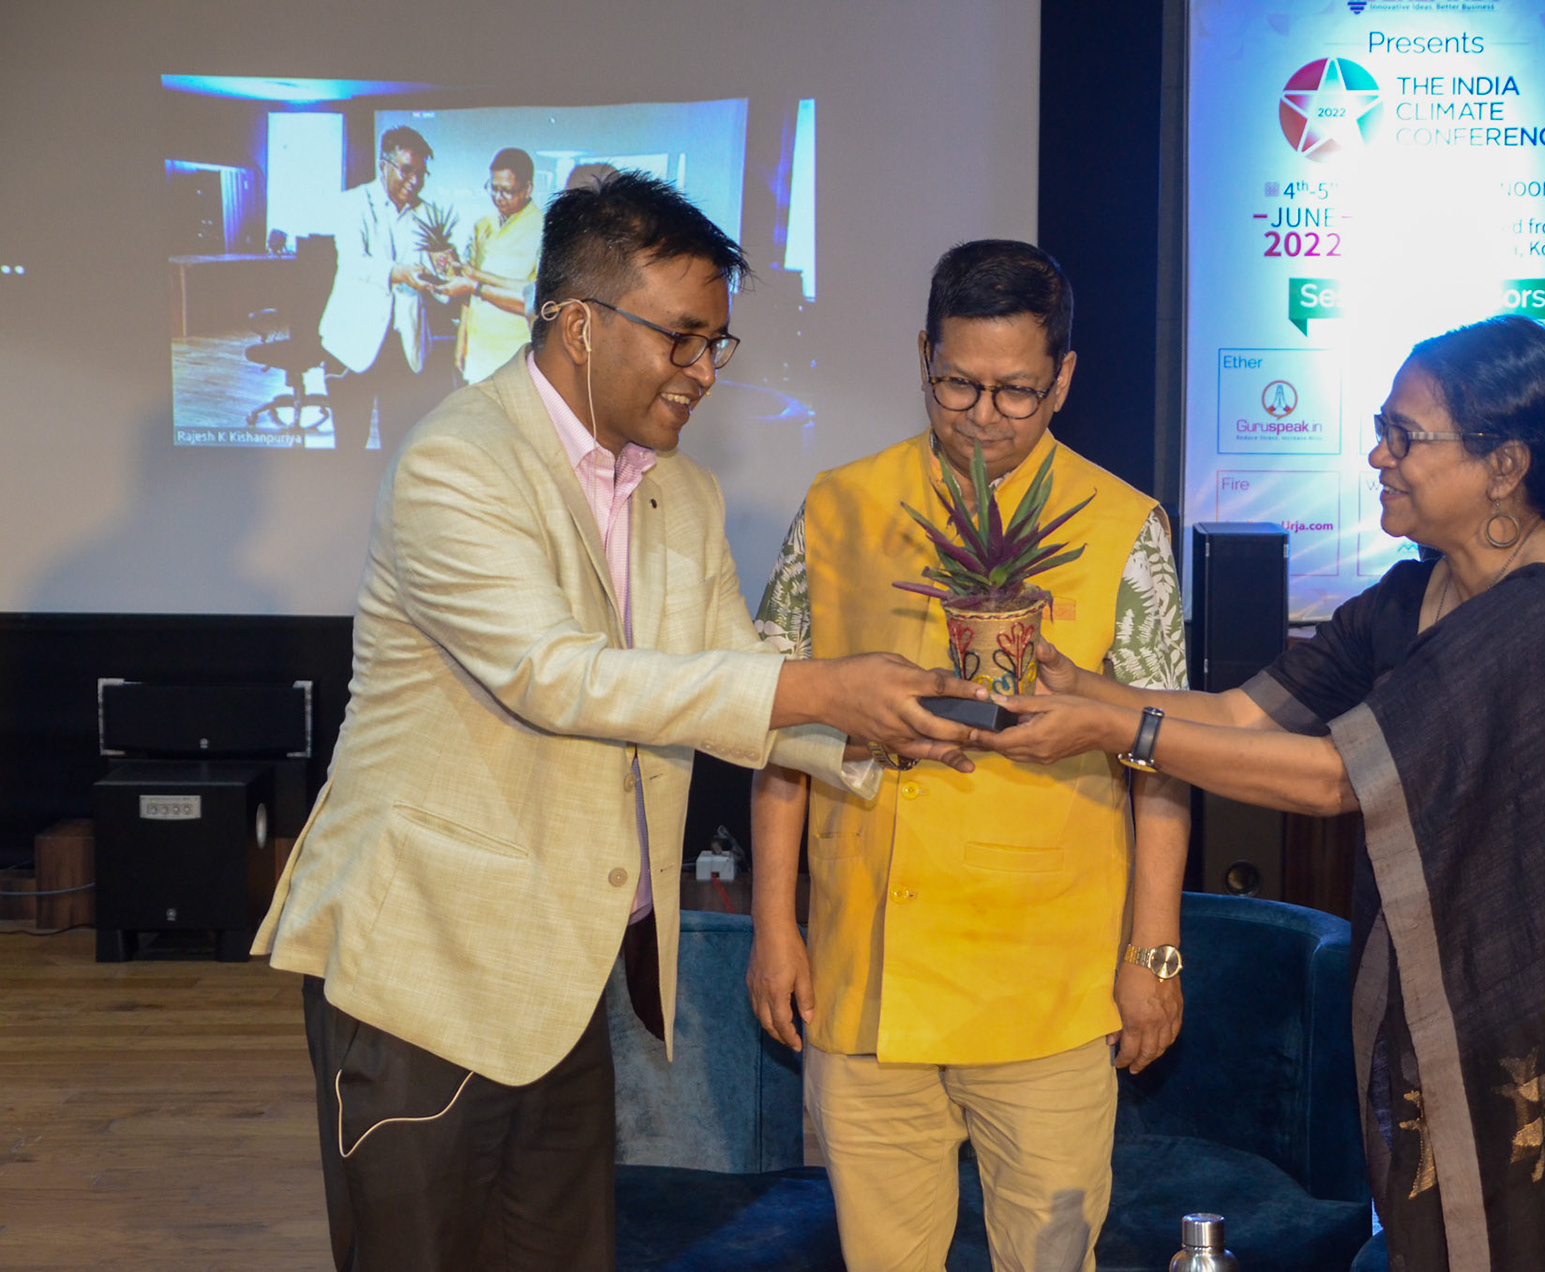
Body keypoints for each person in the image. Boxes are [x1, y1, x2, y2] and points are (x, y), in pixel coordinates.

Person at [252, 171, 979, 1272]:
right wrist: (824, 690)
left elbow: (730, 671)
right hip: (427, 970)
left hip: (565, 980)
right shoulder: (460, 461)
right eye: (682, 339)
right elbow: (560, 679)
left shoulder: (675, 492)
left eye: (716, 346)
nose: (702, 373)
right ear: (577, 324)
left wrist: (891, 721)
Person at [973, 315, 1545, 1272]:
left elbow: (1336, 781)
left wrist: (1119, 731)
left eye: (1405, 435)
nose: (1377, 454)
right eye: (1381, 426)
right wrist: (1077, 685)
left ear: (1504, 465)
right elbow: (1242, 717)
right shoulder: (1416, 595)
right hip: (1531, 1010)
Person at [746, 240, 1192, 1272]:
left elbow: (1164, 759)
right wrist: (775, 927)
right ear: (921, 357)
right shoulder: (838, 507)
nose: (984, 416)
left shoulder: (1124, 527)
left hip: (1049, 984)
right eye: (958, 384)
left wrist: (1154, 954)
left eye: (1017, 393)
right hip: (867, 975)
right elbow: (769, 724)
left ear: (1064, 378)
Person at [318, 125, 443, 452]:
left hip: (404, 347)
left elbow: (435, 278)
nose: (414, 181)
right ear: (383, 165)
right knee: (349, 446)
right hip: (352, 344)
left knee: (399, 444)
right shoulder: (352, 204)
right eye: (406, 170)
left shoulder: (427, 213)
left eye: (421, 173)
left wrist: (445, 272)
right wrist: (400, 273)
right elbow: (354, 263)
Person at [446, 147, 541, 385]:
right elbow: (467, 293)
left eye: (507, 191)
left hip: (516, 350)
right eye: (493, 188)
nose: (499, 197)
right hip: (479, 349)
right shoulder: (482, 226)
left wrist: (476, 282)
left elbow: (535, 299)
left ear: (528, 188)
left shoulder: (543, 228)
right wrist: (461, 342)